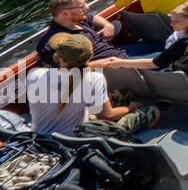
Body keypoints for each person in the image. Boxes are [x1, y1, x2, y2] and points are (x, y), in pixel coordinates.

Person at [26, 34, 159, 136]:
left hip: (41, 137)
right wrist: (132, 107)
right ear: (90, 56)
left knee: (125, 94)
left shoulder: (35, 74)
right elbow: (107, 116)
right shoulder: (94, 79)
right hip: (76, 138)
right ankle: (130, 142)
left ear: (58, 56)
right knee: (152, 111)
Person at [92, 2, 188, 77]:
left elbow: (154, 63)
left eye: (175, 21)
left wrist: (121, 63)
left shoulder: (186, 42)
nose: (171, 24)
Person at [35, 0, 127, 67]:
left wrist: (108, 26)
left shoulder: (77, 19)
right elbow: (66, 72)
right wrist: (101, 64)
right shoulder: (53, 44)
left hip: (120, 53)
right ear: (64, 13)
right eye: (81, 6)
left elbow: (94, 18)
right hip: (117, 68)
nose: (87, 8)